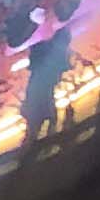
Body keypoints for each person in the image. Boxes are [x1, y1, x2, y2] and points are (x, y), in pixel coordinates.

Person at [17, 7, 74, 139]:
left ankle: (45, 126)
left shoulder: (59, 33)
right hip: (42, 73)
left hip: (48, 72)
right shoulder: (40, 38)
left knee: (45, 96)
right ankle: (38, 127)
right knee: (40, 96)